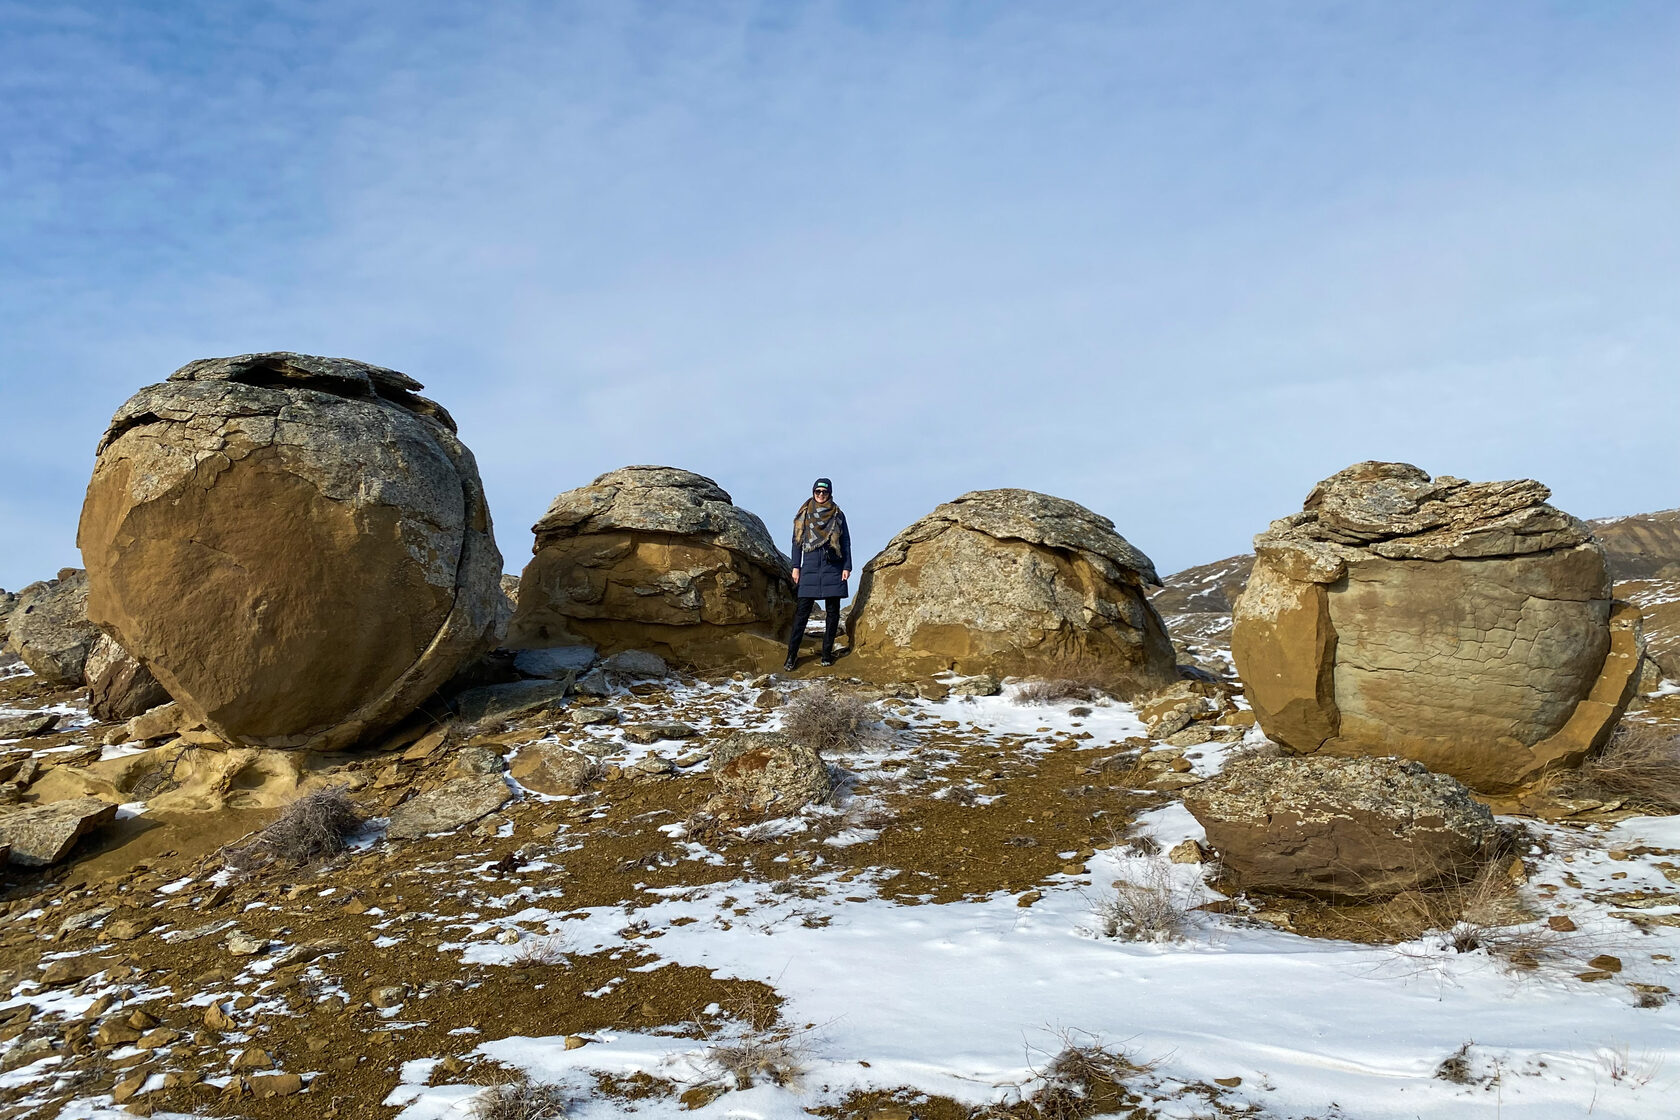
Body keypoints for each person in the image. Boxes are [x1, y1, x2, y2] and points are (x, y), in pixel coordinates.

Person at [785, 477, 852, 670]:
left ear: (830, 493)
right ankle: (791, 657)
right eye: (817, 492)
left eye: (824, 492)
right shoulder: (804, 514)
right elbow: (796, 542)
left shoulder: (838, 514)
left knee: (832, 615)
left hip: (834, 567)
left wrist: (847, 566)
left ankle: (826, 654)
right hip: (810, 568)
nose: (821, 495)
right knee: (801, 615)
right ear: (813, 492)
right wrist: (796, 566)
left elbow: (845, 542)